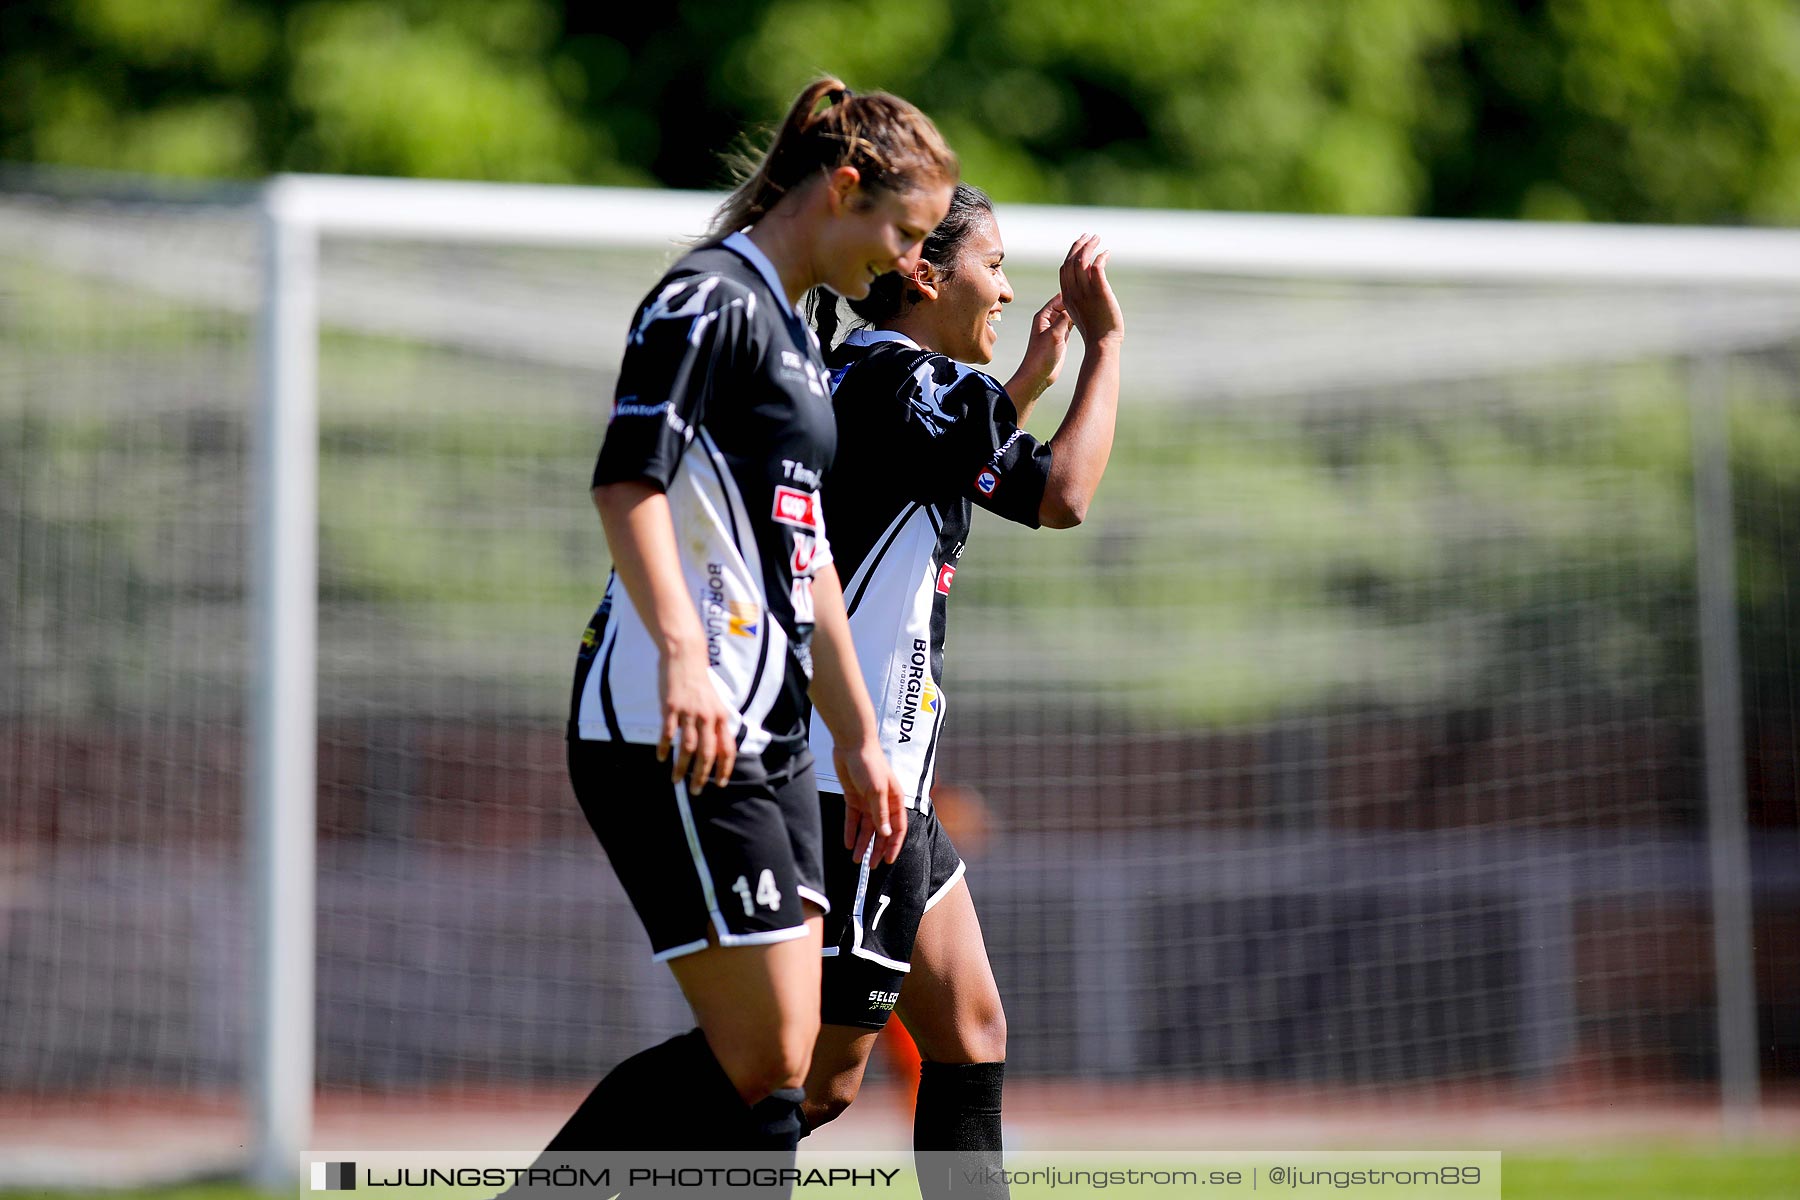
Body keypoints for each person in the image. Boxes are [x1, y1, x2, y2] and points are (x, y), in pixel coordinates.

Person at [549, 78, 956, 1159]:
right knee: (770, 1065)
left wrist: (862, 733)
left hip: (769, 728)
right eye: (903, 234)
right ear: (844, 187)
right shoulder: (709, 299)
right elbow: (626, 481)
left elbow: (803, 549)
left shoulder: (792, 332)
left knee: (787, 1064)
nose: (909, 265)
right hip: (673, 723)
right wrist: (684, 655)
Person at [801, 185, 1124, 1189]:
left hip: (894, 785)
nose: (1008, 285)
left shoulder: (896, 392)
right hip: (844, 784)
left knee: (972, 1027)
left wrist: (1030, 375)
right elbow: (1061, 495)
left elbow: (1008, 472)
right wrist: (1104, 349)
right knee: (813, 1084)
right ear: (925, 276)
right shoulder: (894, 382)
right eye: (993, 264)